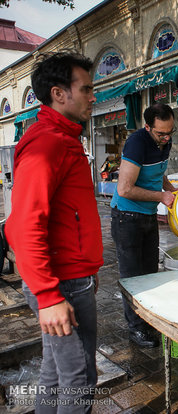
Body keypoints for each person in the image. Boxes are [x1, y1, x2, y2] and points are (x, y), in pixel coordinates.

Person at [5, 51, 103, 410]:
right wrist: (48, 297)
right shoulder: (48, 142)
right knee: (79, 378)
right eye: (87, 89)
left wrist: (89, 270)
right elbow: (24, 223)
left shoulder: (64, 138)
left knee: (55, 370)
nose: (94, 98)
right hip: (60, 284)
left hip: (72, 277)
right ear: (59, 94)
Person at [111, 103, 178, 348]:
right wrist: (161, 197)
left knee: (150, 274)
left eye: (171, 131)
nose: (167, 137)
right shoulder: (137, 143)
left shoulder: (164, 140)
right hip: (126, 218)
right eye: (161, 133)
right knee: (132, 277)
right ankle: (136, 330)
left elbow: (157, 171)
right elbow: (124, 189)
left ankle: (148, 322)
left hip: (148, 216)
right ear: (147, 127)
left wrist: (169, 188)